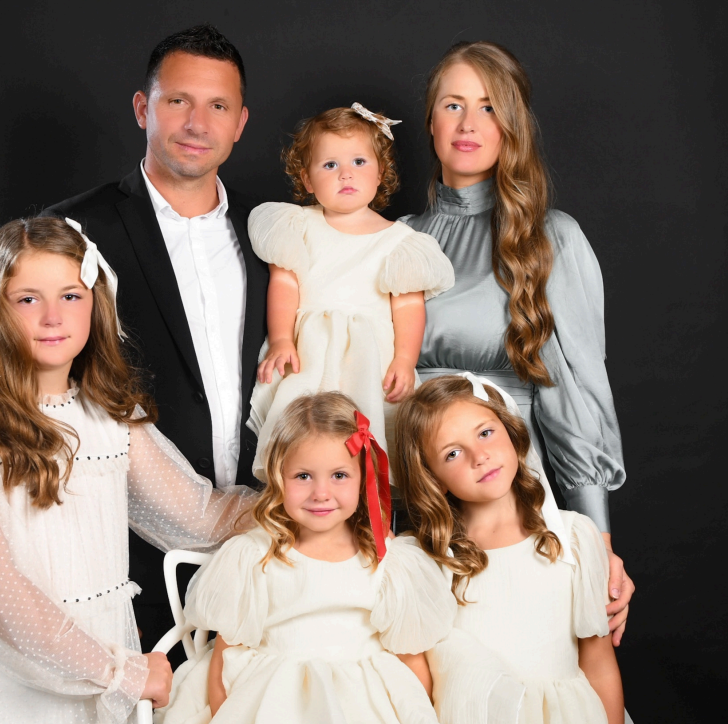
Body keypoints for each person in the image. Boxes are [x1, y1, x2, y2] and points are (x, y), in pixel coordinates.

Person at [0, 217, 258, 724]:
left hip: (88, 683)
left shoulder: (110, 414)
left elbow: (200, 517)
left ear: (96, 303)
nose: (53, 316)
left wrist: (315, 490)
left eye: (71, 296)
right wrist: (120, 672)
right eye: (28, 299)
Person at [41, 24, 268, 650]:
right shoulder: (71, 228)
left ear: (240, 121)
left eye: (217, 105)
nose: (198, 122)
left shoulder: (278, 229)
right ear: (145, 108)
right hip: (123, 550)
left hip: (268, 540)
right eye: (178, 101)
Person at [399, 41, 634, 642]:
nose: (469, 123)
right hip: (407, 494)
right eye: (453, 105)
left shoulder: (550, 238)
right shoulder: (393, 238)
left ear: (512, 127)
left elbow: (573, 405)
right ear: (431, 122)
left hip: (506, 494)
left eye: (488, 107)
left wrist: (598, 546)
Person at [155, 391, 457, 723]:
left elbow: (410, 657)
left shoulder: (386, 559)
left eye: (339, 475)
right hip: (272, 696)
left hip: (361, 697)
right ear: (279, 478)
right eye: (303, 476)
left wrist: (421, 709)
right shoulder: (255, 555)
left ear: (363, 481)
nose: (321, 493)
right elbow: (226, 654)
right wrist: (222, 712)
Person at [394, 374, 624, 724]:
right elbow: (418, 681)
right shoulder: (427, 559)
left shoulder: (574, 535)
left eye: (485, 433)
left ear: (512, 434)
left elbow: (599, 663)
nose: (480, 456)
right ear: (433, 478)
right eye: (453, 453)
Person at [246, 105, 455, 481]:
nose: (346, 173)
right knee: (303, 439)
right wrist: (279, 339)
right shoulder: (298, 226)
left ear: (380, 173)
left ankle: (366, 512)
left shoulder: (399, 242)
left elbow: (409, 306)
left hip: (369, 358)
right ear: (307, 180)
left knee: (367, 434)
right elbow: (285, 284)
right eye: (329, 165)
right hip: (310, 354)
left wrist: (405, 360)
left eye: (359, 161)